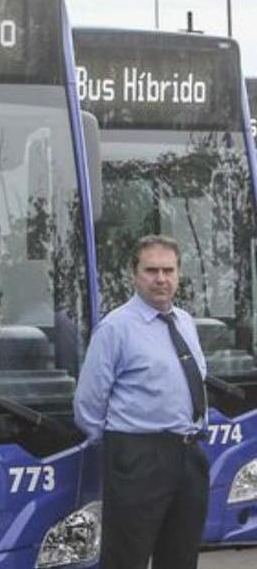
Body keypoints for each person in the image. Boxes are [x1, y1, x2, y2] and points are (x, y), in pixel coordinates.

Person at [73, 235, 209, 569]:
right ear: (134, 274)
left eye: (168, 270)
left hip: (188, 456)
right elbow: (88, 403)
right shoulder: (116, 328)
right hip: (137, 457)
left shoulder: (185, 323)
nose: (161, 279)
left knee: (181, 557)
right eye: (151, 270)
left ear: (179, 274)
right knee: (126, 559)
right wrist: (125, 452)